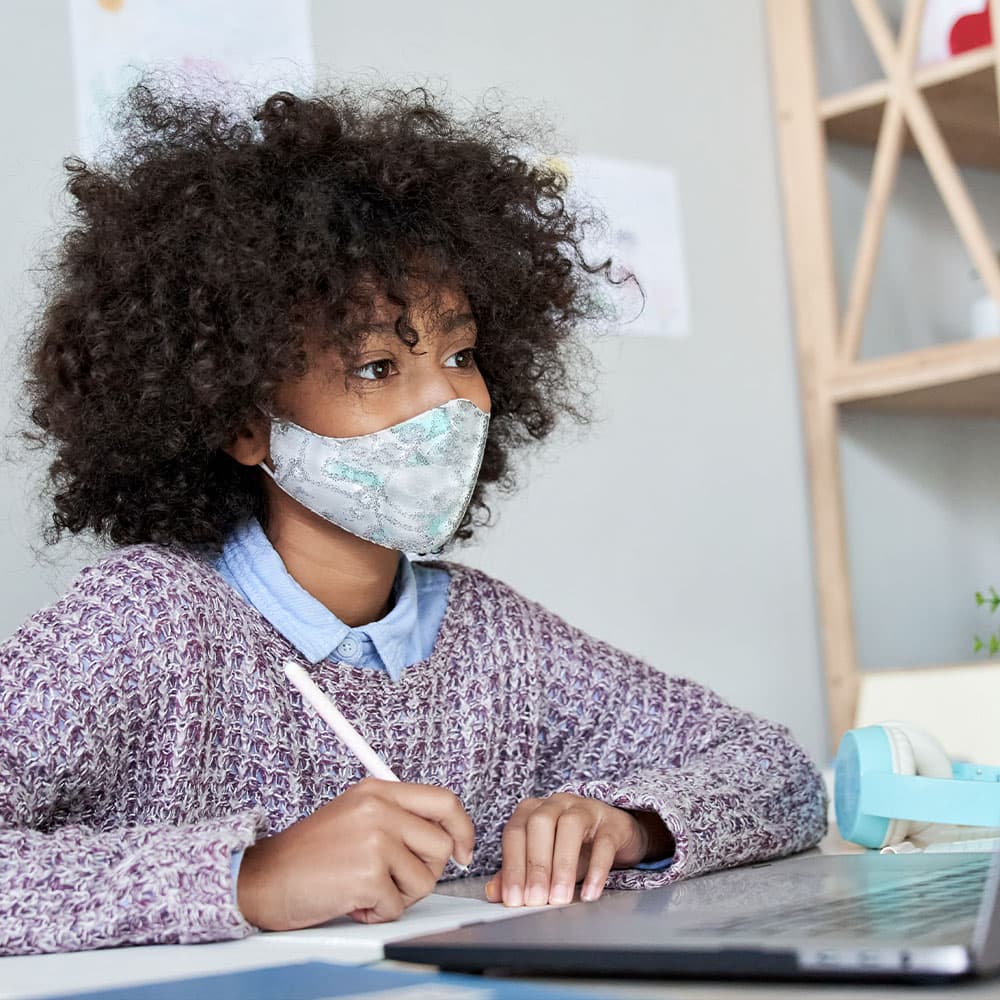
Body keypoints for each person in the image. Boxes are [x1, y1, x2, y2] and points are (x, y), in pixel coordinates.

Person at [0, 80, 826, 956]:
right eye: (377, 366)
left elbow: (781, 777)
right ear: (243, 422)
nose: (449, 402)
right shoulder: (140, 626)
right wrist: (253, 879)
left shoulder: (501, 642)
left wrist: (631, 825)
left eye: (460, 354)